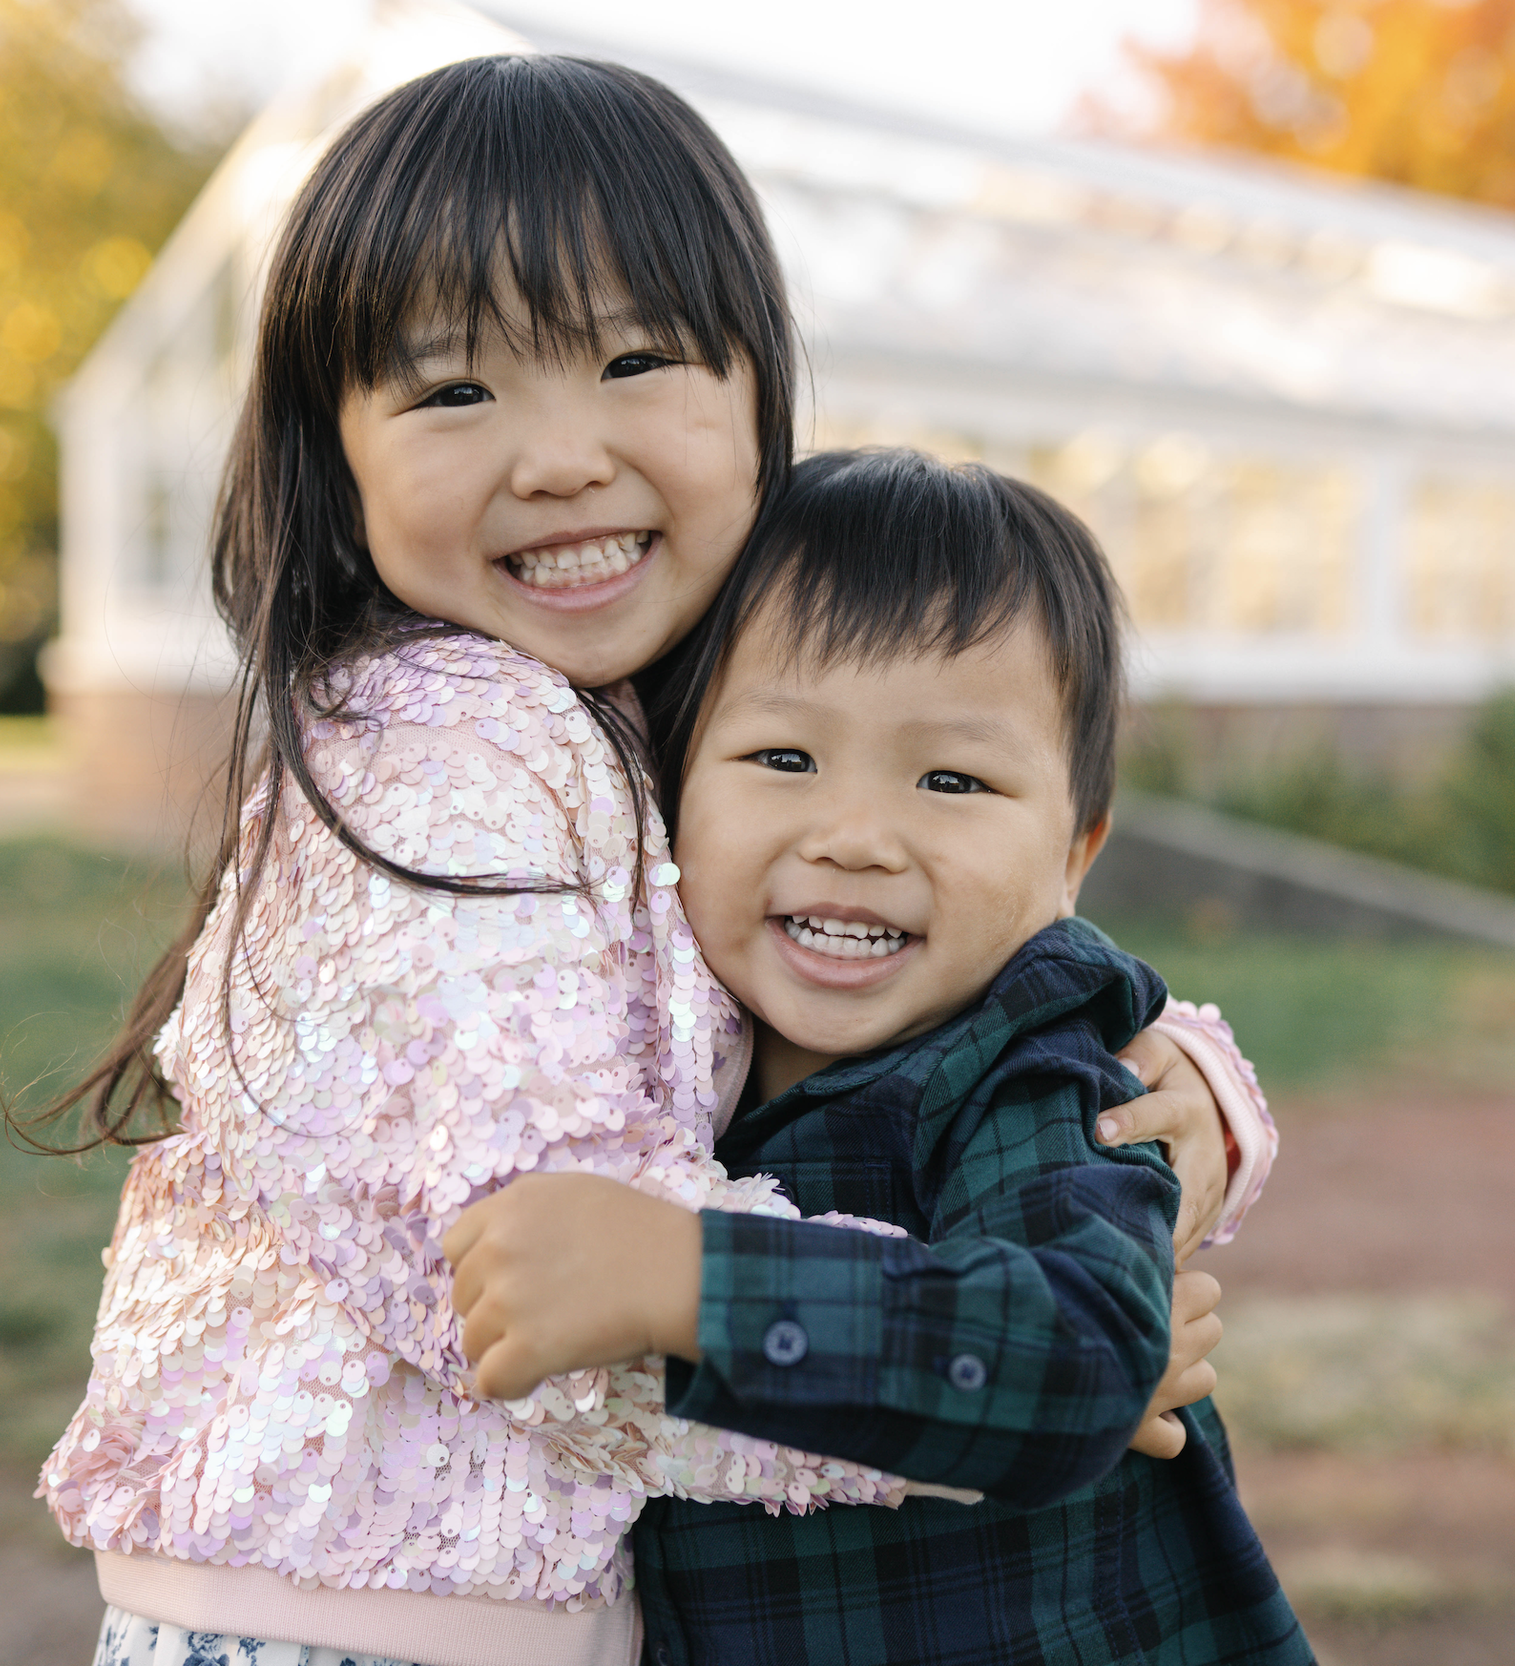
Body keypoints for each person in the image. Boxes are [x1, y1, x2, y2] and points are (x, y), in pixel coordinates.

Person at [15, 54, 1273, 1666]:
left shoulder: (660, 710)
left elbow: (891, 1007)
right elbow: (538, 1294)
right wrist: (1007, 1394)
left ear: (761, 395)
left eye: (633, 359)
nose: (558, 456)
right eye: (456, 389)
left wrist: (1185, 1086)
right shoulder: (443, 762)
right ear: (334, 452)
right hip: (354, 1630)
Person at [443, 448, 1311, 1665]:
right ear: (669, 788)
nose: (854, 837)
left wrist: (688, 1279)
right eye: (783, 759)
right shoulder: (650, 1032)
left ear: (1075, 853)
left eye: (951, 778)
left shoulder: (1014, 1063)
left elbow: (1089, 1350)